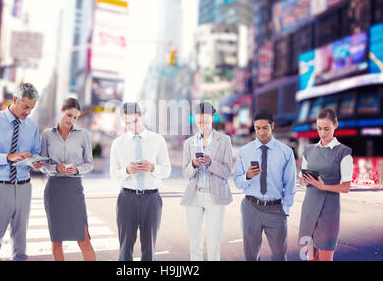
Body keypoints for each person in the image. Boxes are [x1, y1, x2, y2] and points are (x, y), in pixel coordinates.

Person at [0, 83, 43, 261]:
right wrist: (8, 157)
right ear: (14, 100)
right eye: (26, 106)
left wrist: (37, 162)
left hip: (24, 187)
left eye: (32, 108)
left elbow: (35, 152)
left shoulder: (32, 126)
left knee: (20, 242)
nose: (28, 112)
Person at [110, 102, 171, 261]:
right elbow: (114, 174)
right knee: (125, 247)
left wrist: (152, 168)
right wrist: (127, 171)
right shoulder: (118, 143)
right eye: (127, 122)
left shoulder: (158, 140)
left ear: (141, 115)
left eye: (135, 121)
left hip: (152, 199)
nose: (132, 126)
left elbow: (167, 170)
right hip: (126, 199)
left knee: (149, 248)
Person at [233, 109, 296, 261]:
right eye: (257, 128)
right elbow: (237, 182)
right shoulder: (244, 151)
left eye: (265, 128)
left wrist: (285, 210)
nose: (261, 132)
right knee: (251, 256)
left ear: (272, 126)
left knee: (280, 255)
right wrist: (247, 176)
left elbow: (290, 184)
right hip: (250, 207)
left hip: (276, 210)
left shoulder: (286, 152)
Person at [39, 97, 96, 261]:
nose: (71, 120)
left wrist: (77, 169)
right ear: (62, 110)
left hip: (74, 190)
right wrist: (55, 168)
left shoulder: (83, 135)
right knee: (57, 241)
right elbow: (43, 164)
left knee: (84, 240)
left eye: (75, 117)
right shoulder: (47, 135)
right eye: (69, 115)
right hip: (54, 190)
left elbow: (89, 163)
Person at [180, 101, 233, 261]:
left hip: (215, 197)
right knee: (194, 245)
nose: (202, 125)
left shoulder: (224, 140)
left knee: (213, 244)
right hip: (194, 196)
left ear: (212, 118)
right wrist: (194, 164)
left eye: (206, 121)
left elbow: (227, 172)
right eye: (199, 122)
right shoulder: (189, 143)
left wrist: (210, 163)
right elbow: (185, 173)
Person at [298, 109, 353, 261]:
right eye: (319, 128)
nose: (322, 133)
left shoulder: (343, 152)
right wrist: (305, 180)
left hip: (329, 210)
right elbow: (302, 180)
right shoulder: (309, 150)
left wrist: (323, 186)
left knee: (325, 257)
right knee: (310, 257)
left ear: (336, 125)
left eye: (326, 128)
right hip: (309, 207)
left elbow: (346, 187)